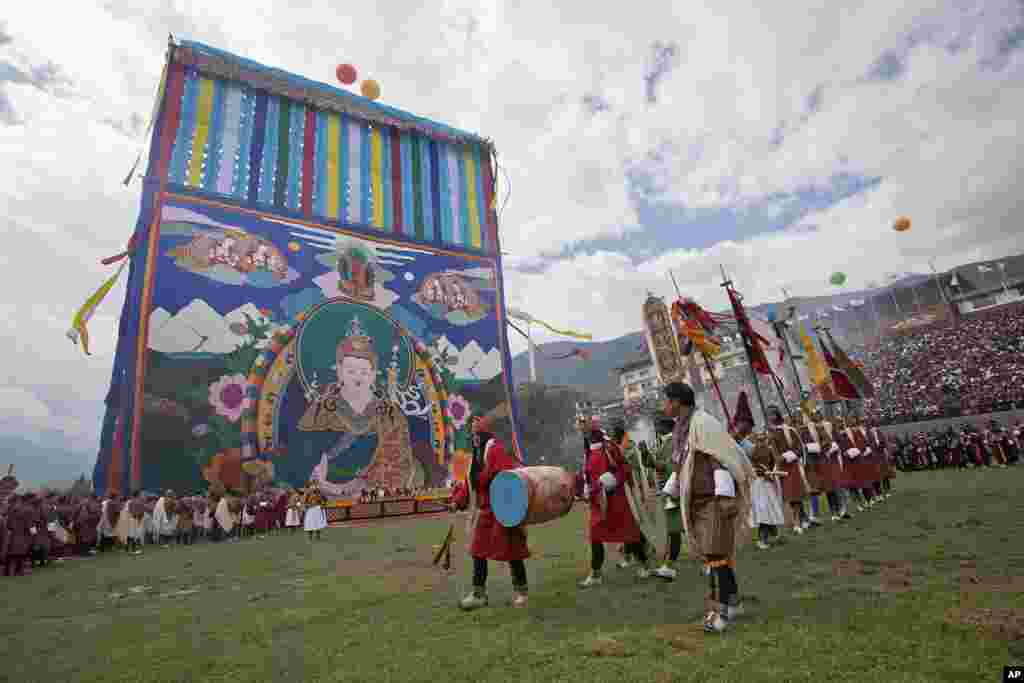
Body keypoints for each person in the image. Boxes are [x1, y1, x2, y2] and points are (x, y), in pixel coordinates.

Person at [664, 381, 752, 633]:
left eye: (666, 400)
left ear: (677, 402)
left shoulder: (702, 423)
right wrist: (675, 485)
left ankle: (718, 613)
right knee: (717, 555)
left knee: (715, 556)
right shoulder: (682, 426)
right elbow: (684, 461)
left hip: (713, 500)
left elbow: (719, 458)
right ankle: (733, 602)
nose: (664, 406)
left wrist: (724, 497)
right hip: (697, 501)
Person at [452, 414, 530, 610]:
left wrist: (486, 478)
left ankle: (521, 592)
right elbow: (471, 483)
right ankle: (479, 595)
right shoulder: (476, 455)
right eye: (472, 433)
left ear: (485, 433)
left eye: (477, 433)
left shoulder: (495, 450)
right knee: (478, 550)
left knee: (513, 552)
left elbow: (507, 476)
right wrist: (458, 501)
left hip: (504, 508)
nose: (474, 437)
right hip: (486, 510)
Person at [578, 416, 649, 588]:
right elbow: (587, 474)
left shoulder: (610, 447)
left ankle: (644, 564)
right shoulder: (587, 448)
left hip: (616, 500)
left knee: (629, 533)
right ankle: (595, 574)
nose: (583, 431)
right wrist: (584, 487)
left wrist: (613, 479)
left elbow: (625, 468)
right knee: (595, 536)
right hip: (597, 502)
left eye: (584, 428)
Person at [735, 394, 785, 550]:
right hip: (756, 481)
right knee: (762, 509)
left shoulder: (758, 438)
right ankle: (762, 539)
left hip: (767, 479)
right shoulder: (741, 442)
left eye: (746, 423)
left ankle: (773, 533)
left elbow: (774, 458)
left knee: (769, 507)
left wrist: (772, 469)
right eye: (741, 423)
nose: (743, 426)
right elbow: (745, 459)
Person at [766, 406, 812, 534]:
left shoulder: (790, 430)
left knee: (795, 495)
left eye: (772, 414)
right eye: (768, 415)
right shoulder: (769, 433)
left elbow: (799, 448)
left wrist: (787, 456)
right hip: (780, 470)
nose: (770, 417)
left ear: (777, 415)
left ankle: (797, 522)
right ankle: (803, 519)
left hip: (793, 467)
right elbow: (772, 454)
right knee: (790, 497)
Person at [652, 416, 684, 580]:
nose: (656, 427)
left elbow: (669, 466)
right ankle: (669, 566)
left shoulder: (672, 442)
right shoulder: (664, 442)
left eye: (658, 424)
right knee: (676, 531)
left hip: (674, 491)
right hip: (670, 491)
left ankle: (710, 562)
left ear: (666, 426)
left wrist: (653, 462)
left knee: (678, 531)